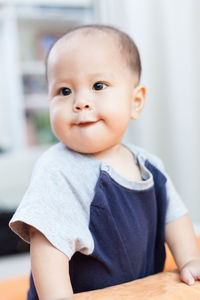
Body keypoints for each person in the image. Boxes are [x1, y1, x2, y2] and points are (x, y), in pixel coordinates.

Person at [9, 25, 200, 300]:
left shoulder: (150, 165)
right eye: (64, 91)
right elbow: (47, 247)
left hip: (140, 291)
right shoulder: (57, 170)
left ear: (135, 102)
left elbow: (175, 217)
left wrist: (190, 260)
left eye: (98, 86)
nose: (80, 102)